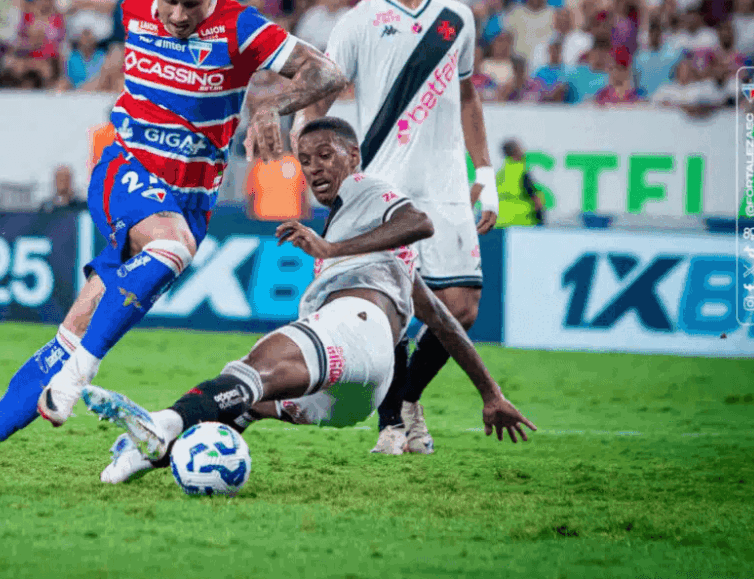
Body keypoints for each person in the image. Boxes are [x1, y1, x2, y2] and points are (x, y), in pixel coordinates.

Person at [0, 0, 347, 486]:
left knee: (77, 326)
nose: (177, 14)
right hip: (126, 171)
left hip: (190, 200)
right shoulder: (133, 7)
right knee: (170, 249)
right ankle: (80, 376)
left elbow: (328, 73)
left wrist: (271, 103)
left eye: (191, 2)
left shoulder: (242, 26)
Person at [82, 118, 535, 483]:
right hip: (353, 399)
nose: (314, 167)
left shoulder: (368, 189)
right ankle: (150, 457)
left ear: (353, 157)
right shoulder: (377, 246)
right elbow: (442, 319)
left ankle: (160, 425)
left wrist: (331, 250)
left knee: (254, 369)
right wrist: (490, 394)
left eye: (325, 155)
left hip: (354, 329)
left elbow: (420, 222)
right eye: (305, 160)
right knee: (239, 400)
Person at [290, 0, 499, 456]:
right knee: (395, 305)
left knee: (464, 305)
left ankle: (407, 399)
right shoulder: (358, 21)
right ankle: (392, 426)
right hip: (383, 184)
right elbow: (321, 96)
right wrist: (311, 160)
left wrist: (488, 175)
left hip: (448, 183)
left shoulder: (457, 19)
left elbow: (469, 96)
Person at [495, 140, 544, 228]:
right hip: (521, 223)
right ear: (517, 152)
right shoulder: (522, 171)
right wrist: (541, 221)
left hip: (500, 223)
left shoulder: (500, 173)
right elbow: (536, 199)